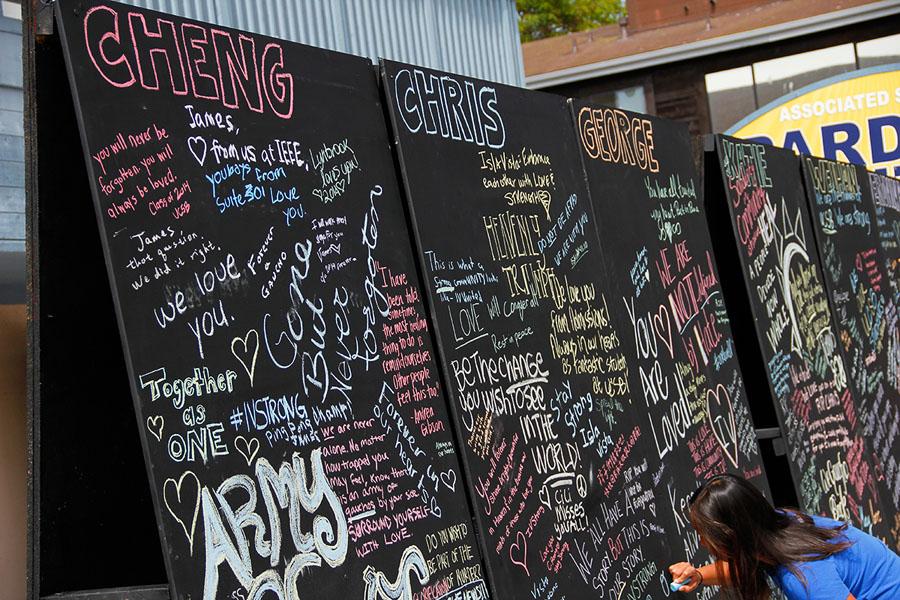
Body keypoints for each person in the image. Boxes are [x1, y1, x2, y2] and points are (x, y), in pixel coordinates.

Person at [667, 474, 900, 599]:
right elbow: (746, 564)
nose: (702, 542)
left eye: (704, 534)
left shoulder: (804, 578)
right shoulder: (778, 525)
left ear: (732, 537)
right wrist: (698, 575)